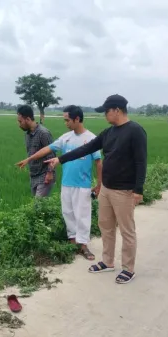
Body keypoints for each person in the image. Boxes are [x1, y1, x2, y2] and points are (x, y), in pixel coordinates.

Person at [45, 94, 147, 284]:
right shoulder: (108, 133)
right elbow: (86, 148)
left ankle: (128, 268)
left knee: (127, 230)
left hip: (124, 191)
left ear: (117, 110)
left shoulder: (135, 131)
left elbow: (141, 162)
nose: (104, 116)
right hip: (107, 189)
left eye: (106, 111)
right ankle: (108, 262)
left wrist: (138, 190)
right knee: (105, 227)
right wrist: (60, 159)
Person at [16, 105, 103, 259]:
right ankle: (72, 241)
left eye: (67, 120)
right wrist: (29, 159)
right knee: (67, 213)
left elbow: (98, 162)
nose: (66, 123)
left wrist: (99, 184)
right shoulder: (66, 137)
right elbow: (47, 149)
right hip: (66, 183)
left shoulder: (91, 139)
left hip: (82, 184)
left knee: (82, 215)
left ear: (77, 119)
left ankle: (83, 245)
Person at [17, 104, 56, 197]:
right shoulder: (27, 134)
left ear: (28, 119)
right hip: (33, 175)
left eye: (20, 121)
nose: (19, 124)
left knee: (38, 206)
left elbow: (52, 155)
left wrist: (50, 173)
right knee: (39, 208)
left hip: (44, 175)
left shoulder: (43, 133)